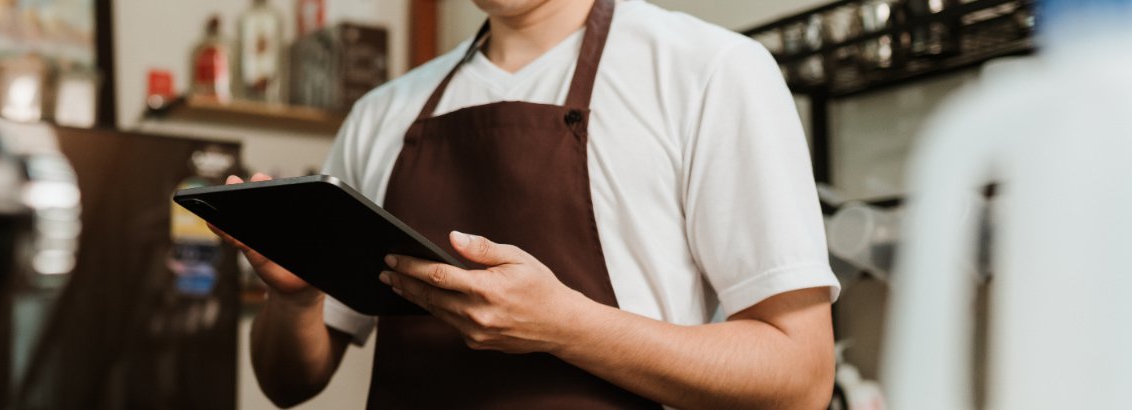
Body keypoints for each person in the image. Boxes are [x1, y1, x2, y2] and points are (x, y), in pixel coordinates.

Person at [215, 0, 839, 408]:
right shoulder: (381, 113)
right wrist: (294, 300)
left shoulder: (711, 72)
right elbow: (287, 383)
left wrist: (566, 327)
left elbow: (801, 375)